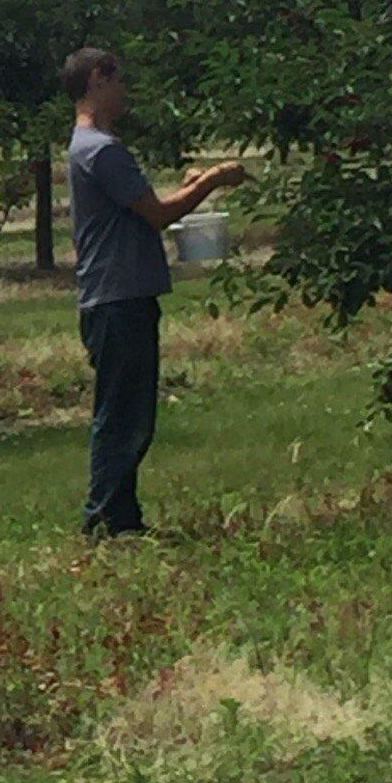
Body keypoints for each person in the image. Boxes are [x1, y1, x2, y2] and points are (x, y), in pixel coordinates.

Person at [63, 48, 244, 539]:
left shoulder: (91, 147)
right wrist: (213, 180)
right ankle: (103, 522)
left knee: (128, 414)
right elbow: (158, 215)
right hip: (118, 298)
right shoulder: (101, 149)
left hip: (118, 295)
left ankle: (123, 520)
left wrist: (186, 187)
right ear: (99, 79)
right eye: (119, 81)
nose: (126, 93)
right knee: (123, 417)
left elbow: (143, 205)